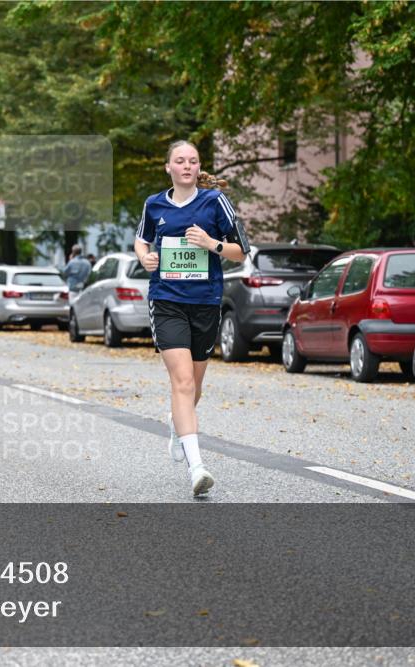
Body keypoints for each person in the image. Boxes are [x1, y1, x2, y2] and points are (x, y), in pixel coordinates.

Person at [134, 140, 250, 497]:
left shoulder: (215, 202)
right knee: (182, 382)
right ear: (168, 167)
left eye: (193, 161)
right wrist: (145, 259)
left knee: (194, 386)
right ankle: (197, 467)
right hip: (167, 300)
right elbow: (141, 240)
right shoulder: (154, 204)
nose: (186, 166)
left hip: (205, 302)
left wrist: (211, 243)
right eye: (180, 161)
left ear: (199, 168)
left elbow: (241, 253)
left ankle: (177, 424)